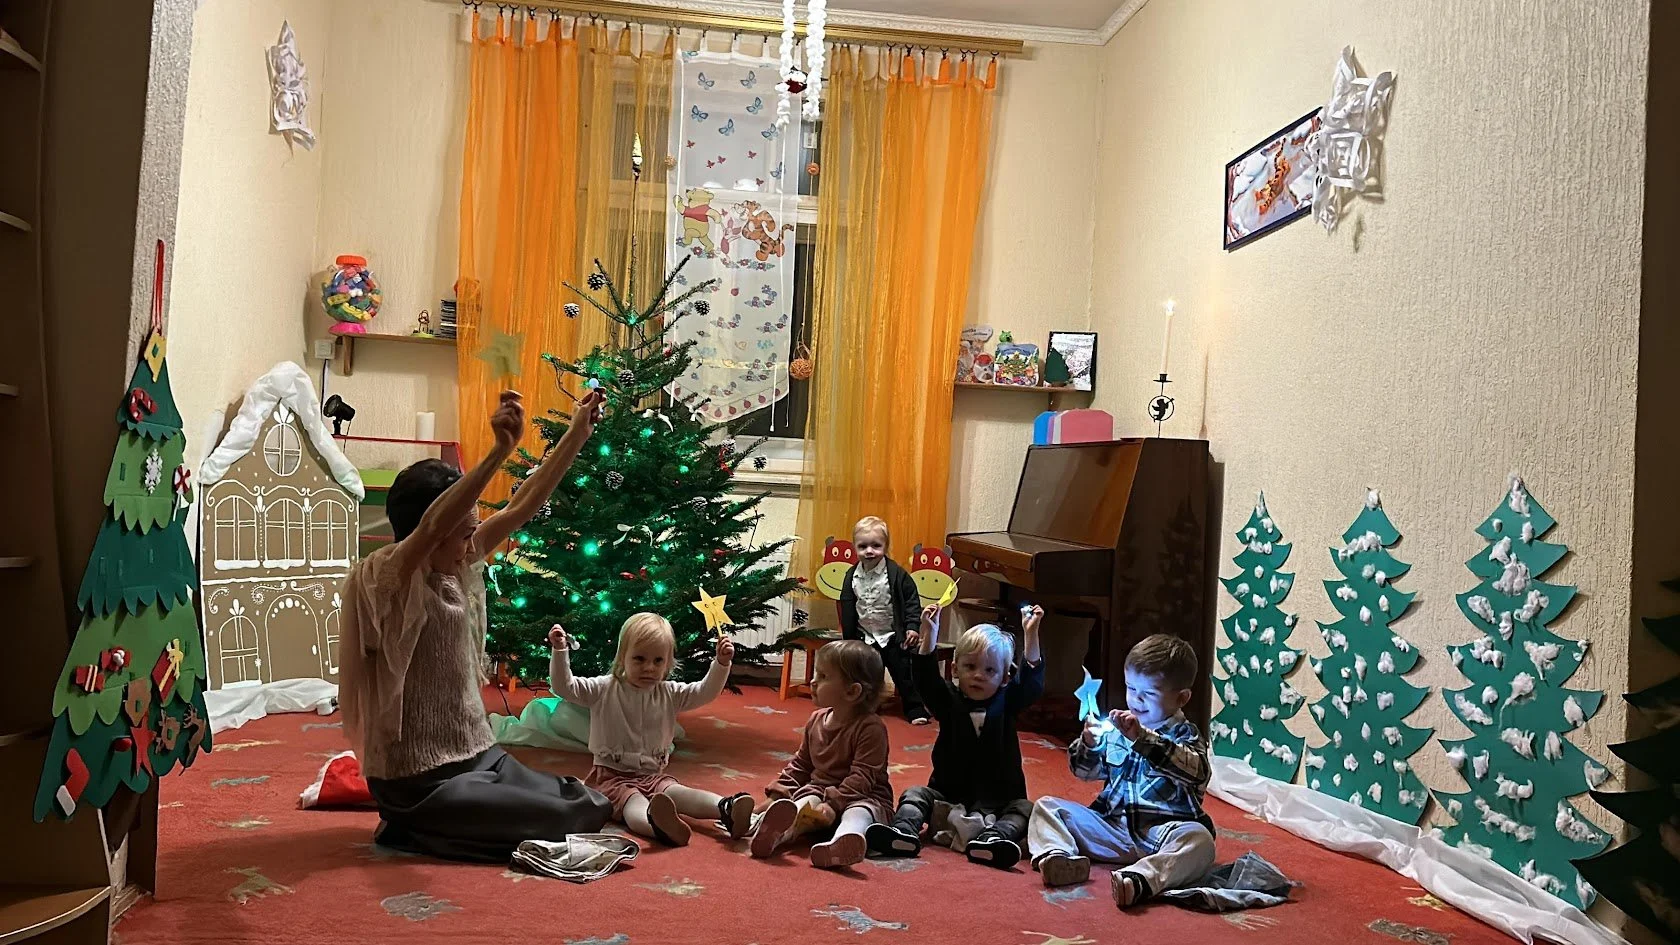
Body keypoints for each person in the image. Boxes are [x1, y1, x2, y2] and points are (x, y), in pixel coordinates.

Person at [338, 389, 613, 861]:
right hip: (419, 782)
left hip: (480, 756)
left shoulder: (457, 564)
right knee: (562, 821)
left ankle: (422, 832)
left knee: (587, 801)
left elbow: (520, 507)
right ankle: (412, 822)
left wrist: (576, 435)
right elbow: (427, 531)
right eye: (463, 533)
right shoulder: (389, 577)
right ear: (438, 528)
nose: (472, 546)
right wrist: (498, 452)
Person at [1026, 633, 1217, 909]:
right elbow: (1084, 772)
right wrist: (1089, 744)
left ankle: (1139, 879)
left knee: (1201, 842)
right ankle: (1059, 858)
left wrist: (1144, 739)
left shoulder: (1184, 734)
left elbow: (1198, 772)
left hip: (1161, 835)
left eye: (1149, 693)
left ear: (1181, 698)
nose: (1136, 700)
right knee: (1046, 807)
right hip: (1112, 827)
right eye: (1131, 688)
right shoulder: (1118, 728)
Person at [547, 615, 754, 846]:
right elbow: (564, 687)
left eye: (658, 661)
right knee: (632, 802)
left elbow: (704, 692)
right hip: (612, 778)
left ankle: (726, 808)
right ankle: (655, 824)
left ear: (668, 663)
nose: (649, 668)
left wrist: (721, 664)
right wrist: (560, 651)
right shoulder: (603, 689)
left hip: (652, 775)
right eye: (639, 659)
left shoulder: (670, 693)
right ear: (621, 658)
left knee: (677, 792)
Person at [868, 605, 1045, 869]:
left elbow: (1031, 682)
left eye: (989, 671)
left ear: (1006, 677)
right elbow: (925, 680)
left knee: (1026, 808)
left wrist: (1031, 634)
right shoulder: (948, 699)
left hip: (997, 802)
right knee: (914, 794)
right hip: (947, 796)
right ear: (954, 669)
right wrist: (930, 632)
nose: (978, 675)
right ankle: (903, 832)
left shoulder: (1008, 701)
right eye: (970, 666)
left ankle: (993, 840)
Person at [749, 640, 894, 869]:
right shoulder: (816, 720)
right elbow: (801, 765)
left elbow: (863, 777)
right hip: (819, 790)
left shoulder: (871, 728)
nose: (813, 681)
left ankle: (844, 842)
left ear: (852, 691)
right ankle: (776, 835)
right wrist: (776, 795)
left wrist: (834, 805)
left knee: (859, 813)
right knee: (803, 803)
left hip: (863, 795)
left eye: (824, 676)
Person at [837, 516, 929, 725]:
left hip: (892, 636)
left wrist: (912, 627)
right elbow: (847, 605)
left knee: (903, 674)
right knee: (865, 675)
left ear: (886, 546)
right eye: (863, 546)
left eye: (876, 546)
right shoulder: (852, 576)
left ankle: (915, 708)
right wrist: (849, 638)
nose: (869, 551)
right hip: (865, 636)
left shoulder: (896, 574)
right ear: (855, 547)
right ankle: (866, 707)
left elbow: (912, 601)